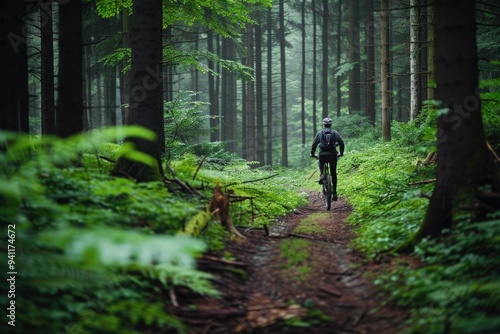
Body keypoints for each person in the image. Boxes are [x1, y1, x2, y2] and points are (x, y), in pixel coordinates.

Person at [310, 117, 345, 201]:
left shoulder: (319, 133)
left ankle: (322, 175)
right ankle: (335, 192)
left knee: (320, 160)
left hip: (322, 155)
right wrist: (341, 153)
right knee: (333, 173)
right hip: (333, 155)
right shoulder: (335, 133)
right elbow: (341, 143)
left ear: (324, 124)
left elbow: (314, 145)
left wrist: (312, 154)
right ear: (330, 124)